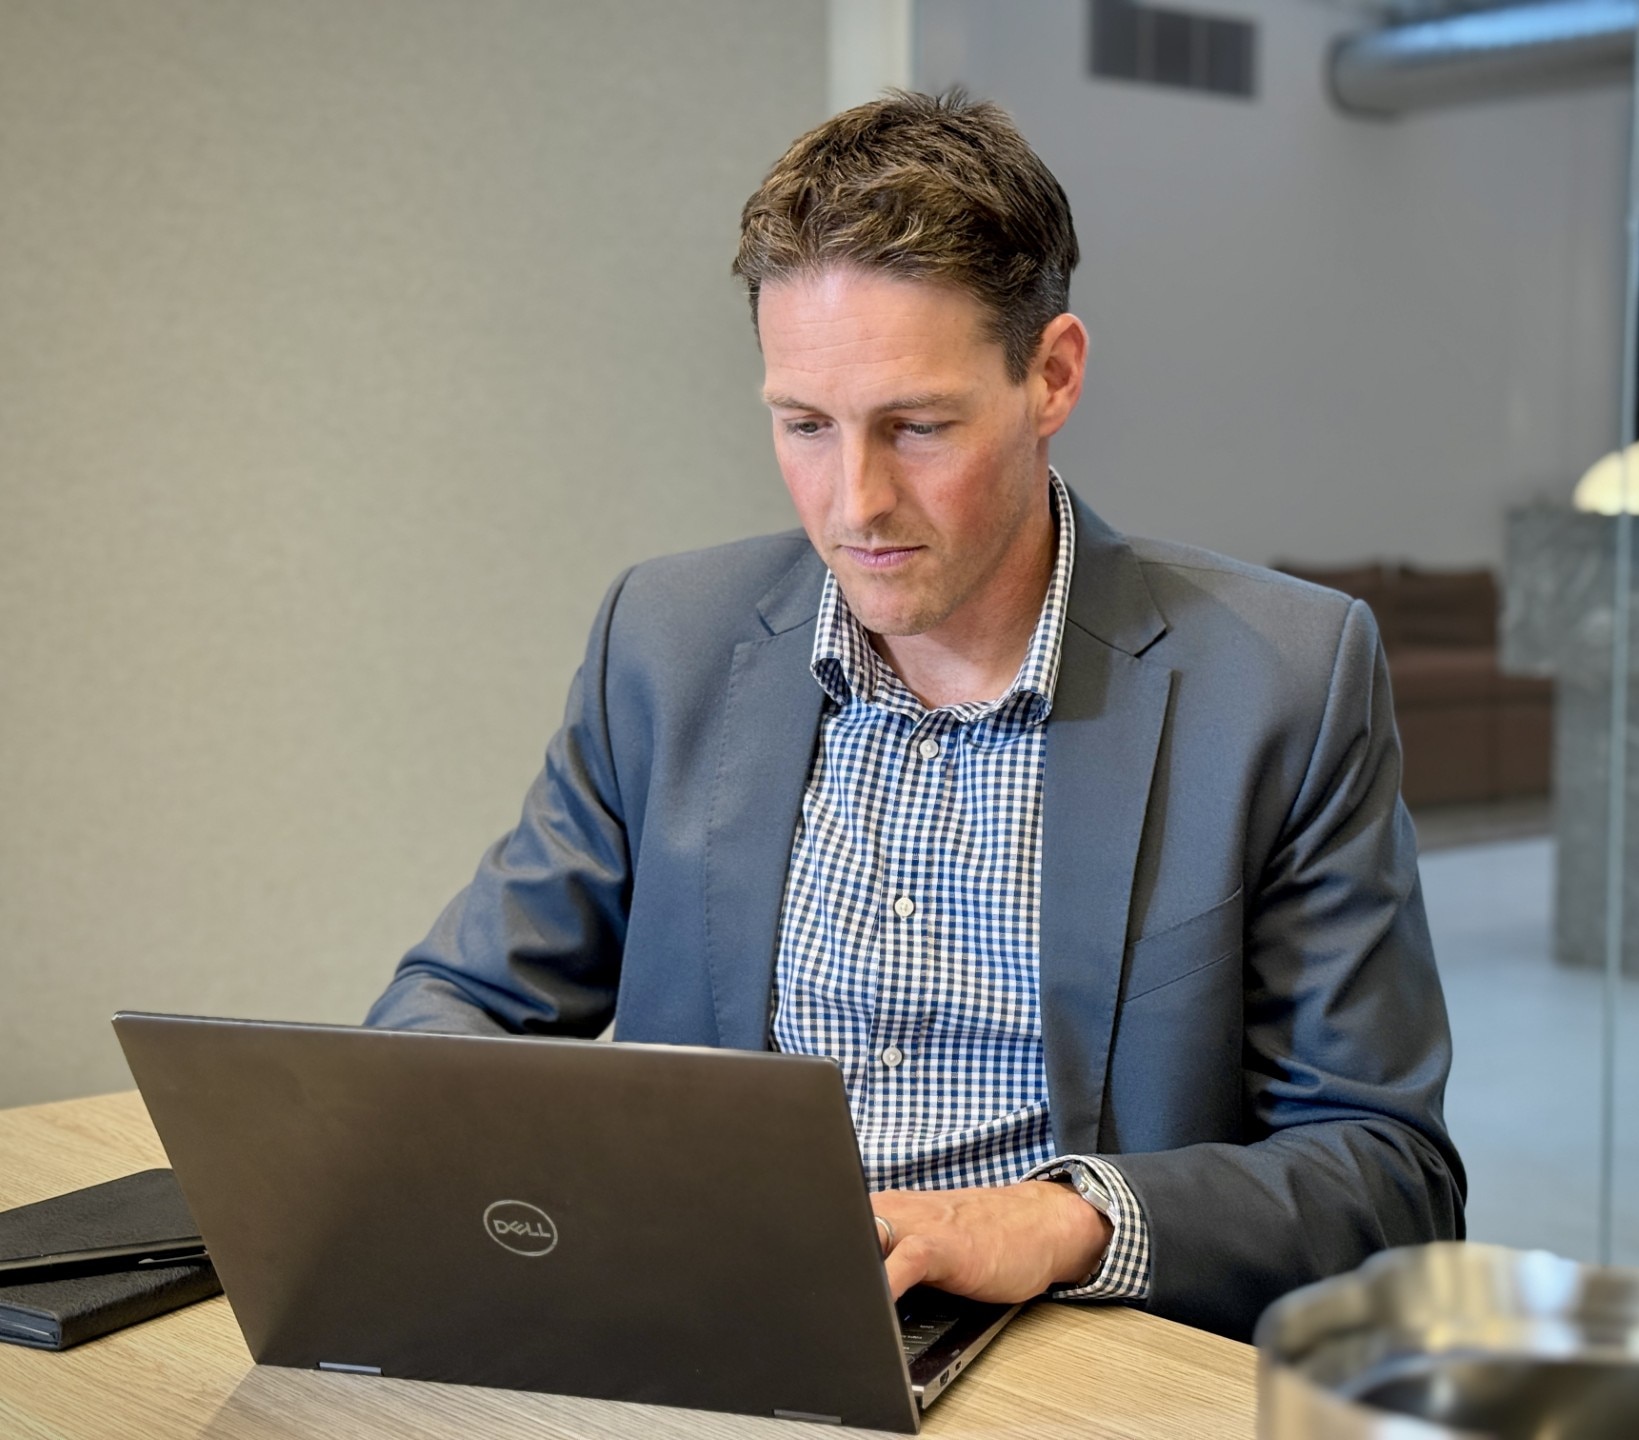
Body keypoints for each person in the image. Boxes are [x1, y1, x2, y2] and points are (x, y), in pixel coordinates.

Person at [366, 90, 1465, 1342]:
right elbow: (445, 1011)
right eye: (804, 427)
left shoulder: (1280, 679)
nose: (855, 503)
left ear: (1051, 375)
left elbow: (1389, 1174)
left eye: (918, 427)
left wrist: (1062, 1221)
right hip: (711, 1326)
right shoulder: (668, 640)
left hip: (1061, 1352)